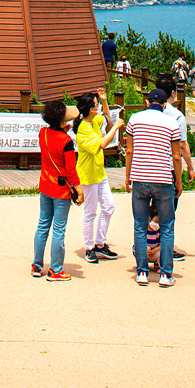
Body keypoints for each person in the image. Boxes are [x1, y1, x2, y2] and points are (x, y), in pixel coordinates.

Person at [124, 87, 182, 288]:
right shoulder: (172, 123)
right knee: (167, 226)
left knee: (140, 225)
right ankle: (166, 274)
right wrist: (179, 181)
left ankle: (142, 272)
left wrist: (128, 177)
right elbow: (176, 156)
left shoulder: (134, 119)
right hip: (163, 179)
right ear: (164, 105)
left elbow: (129, 150)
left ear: (147, 103)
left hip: (139, 178)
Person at [33, 99, 83, 281]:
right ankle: (56, 269)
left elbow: (53, 143)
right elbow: (71, 171)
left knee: (43, 225)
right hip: (61, 190)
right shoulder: (66, 141)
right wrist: (79, 190)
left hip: (45, 186)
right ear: (62, 120)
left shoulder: (43, 133)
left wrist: (62, 130)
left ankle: (37, 265)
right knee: (59, 229)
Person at [74, 88, 119, 264]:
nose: (98, 106)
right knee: (90, 212)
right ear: (90, 109)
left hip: (100, 173)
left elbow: (106, 118)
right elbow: (102, 144)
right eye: (97, 104)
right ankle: (89, 248)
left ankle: (100, 244)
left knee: (109, 207)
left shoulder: (94, 120)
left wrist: (105, 100)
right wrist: (115, 128)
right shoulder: (83, 129)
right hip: (88, 175)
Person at [154, 76, 195, 261]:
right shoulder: (177, 116)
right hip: (167, 168)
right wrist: (190, 167)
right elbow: (182, 146)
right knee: (167, 212)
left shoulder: (145, 113)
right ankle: (165, 250)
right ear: (173, 93)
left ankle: (149, 245)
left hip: (146, 167)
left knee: (150, 212)